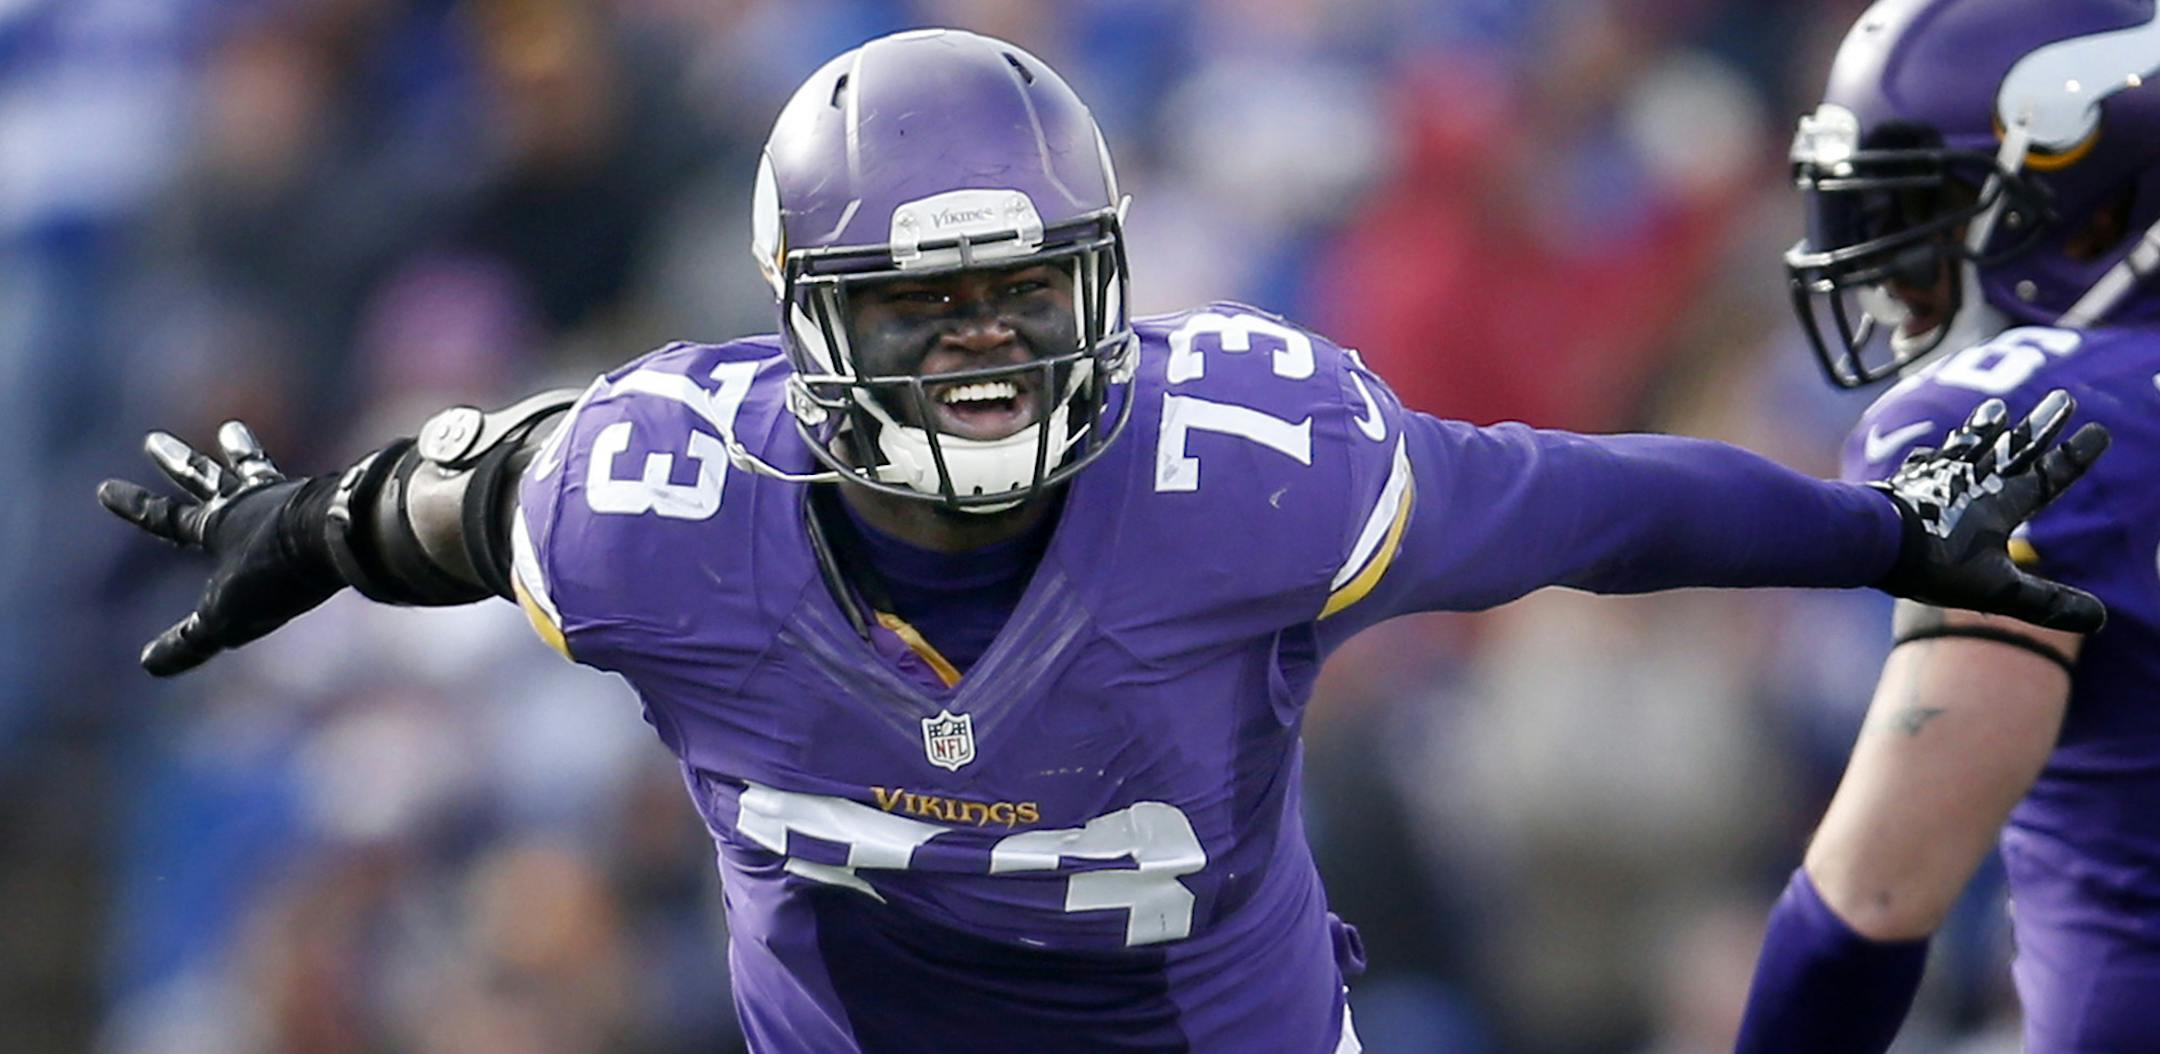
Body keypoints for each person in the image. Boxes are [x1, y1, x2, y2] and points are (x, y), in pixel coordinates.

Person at [100, 29, 2107, 1054]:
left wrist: (1875, 528)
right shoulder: (656, 510)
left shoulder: (1252, 474)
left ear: (1111, 286)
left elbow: (1592, 503)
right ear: (804, 318)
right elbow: (462, 495)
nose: (980, 351)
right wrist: (309, 522)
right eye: (917, 306)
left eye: (1023, 298)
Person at [1735, 2, 2160, 1051]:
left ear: (2089, 210)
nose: (1886, 301)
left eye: (1915, 236)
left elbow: (1870, 901)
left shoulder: (2031, 423)